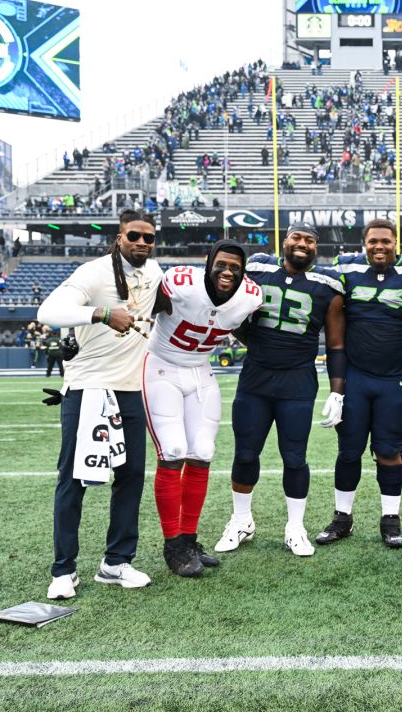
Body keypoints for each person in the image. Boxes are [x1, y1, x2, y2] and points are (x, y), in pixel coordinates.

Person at [35, 209, 164, 600]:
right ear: (119, 236)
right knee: (74, 480)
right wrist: (102, 313)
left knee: (130, 478)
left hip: (130, 389)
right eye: (134, 236)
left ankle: (116, 562)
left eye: (148, 237)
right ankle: (63, 570)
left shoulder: (155, 272)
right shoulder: (93, 272)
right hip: (88, 388)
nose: (142, 243)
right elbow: (47, 312)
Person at [216, 223, 346, 558]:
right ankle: (241, 520)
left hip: (297, 382)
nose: (302, 244)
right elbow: (234, 319)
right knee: (245, 453)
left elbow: (335, 343)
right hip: (255, 379)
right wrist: (258, 345)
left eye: (310, 240)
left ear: (316, 247)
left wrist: (337, 391)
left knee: (295, 457)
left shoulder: (327, 284)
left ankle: (295, 527)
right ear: (284, 241)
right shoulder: (257, 270)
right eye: (297, 238)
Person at [143, 240, 263, 577]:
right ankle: (172, 544)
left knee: (203, 451)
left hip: (200, 371)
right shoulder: (180, 283)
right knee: (173, 450)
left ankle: (189, 540)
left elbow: (239, 324)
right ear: (208, 263)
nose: (228, 272)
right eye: (221, 265)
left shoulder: (250, 296)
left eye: (236, 267)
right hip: (161, 366)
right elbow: (142, 308)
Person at [316, 220, 402, 549]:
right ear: (363, 243)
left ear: (397, 243)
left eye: (385, 241)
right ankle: (343, 518)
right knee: (349, 450)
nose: (379, 246)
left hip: (396, 378)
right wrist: (336, 389)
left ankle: (390, 519)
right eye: (372, 241)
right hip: (356, 377)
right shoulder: (347, 268)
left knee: (388, 450)